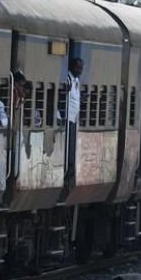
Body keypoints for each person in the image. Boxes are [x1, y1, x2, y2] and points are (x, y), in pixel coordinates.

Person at [64, 57, 83, 187]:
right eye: (77, 67)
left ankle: (70, 170)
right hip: (68, 118)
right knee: (69, 147)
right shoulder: (68, 80)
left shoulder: (76, 81)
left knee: (73, 148)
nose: (79, 70)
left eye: (81, 68)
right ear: (71, 67)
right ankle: (68, 171)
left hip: (74, 118)